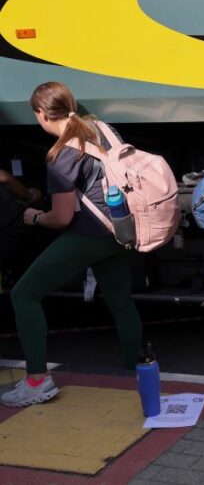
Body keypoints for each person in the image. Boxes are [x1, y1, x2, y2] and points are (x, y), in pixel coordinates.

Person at [2, 82, 144, 408]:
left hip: (90, 235)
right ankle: (137, 368)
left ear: (41, 114)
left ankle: (37, 381)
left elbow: (61, 218)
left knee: (24, 294)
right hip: (121, 229)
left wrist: (34, 218)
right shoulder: (102, 129)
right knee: (120, 299)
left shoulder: (62, 155)